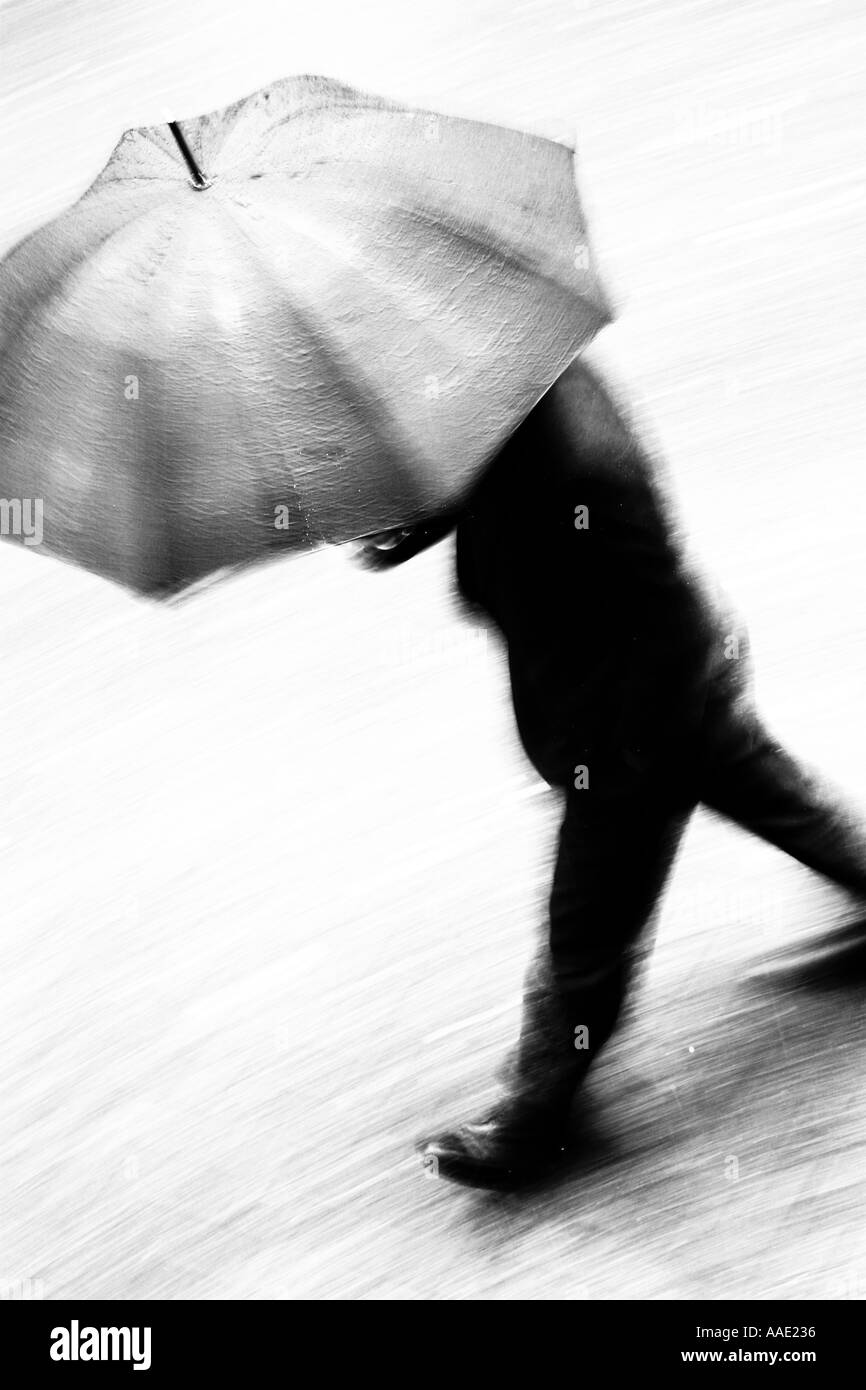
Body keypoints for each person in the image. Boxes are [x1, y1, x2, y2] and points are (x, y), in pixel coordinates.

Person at [356, 355, 866, 1189]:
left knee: (586, 931)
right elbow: (498, 480)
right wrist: (423, 521)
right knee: (760, 787)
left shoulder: (579, 466)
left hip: (632, 720)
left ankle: (537, 1117)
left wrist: (620, 760)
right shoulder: (519, 380)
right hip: (662, 689)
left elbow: (633, 590)